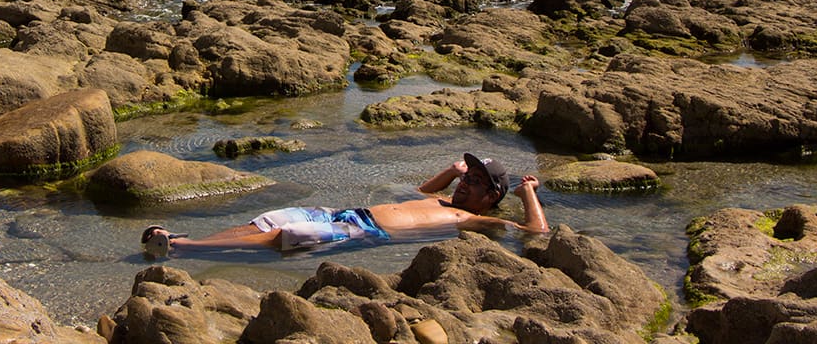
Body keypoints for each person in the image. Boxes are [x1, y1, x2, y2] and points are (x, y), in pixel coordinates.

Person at [141, 153, 548, 258]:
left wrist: (527, 193)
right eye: (465, 177)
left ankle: (182, 247)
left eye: (474, 182)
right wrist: (451, 171)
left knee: (287, 235)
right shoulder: (443, 199)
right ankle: (183, 241)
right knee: (267, 221)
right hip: (341, 213)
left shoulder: (473, 220)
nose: (463, 185)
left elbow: (535, 233)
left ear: (492, 197)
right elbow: (421, 190)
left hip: (363, 232)